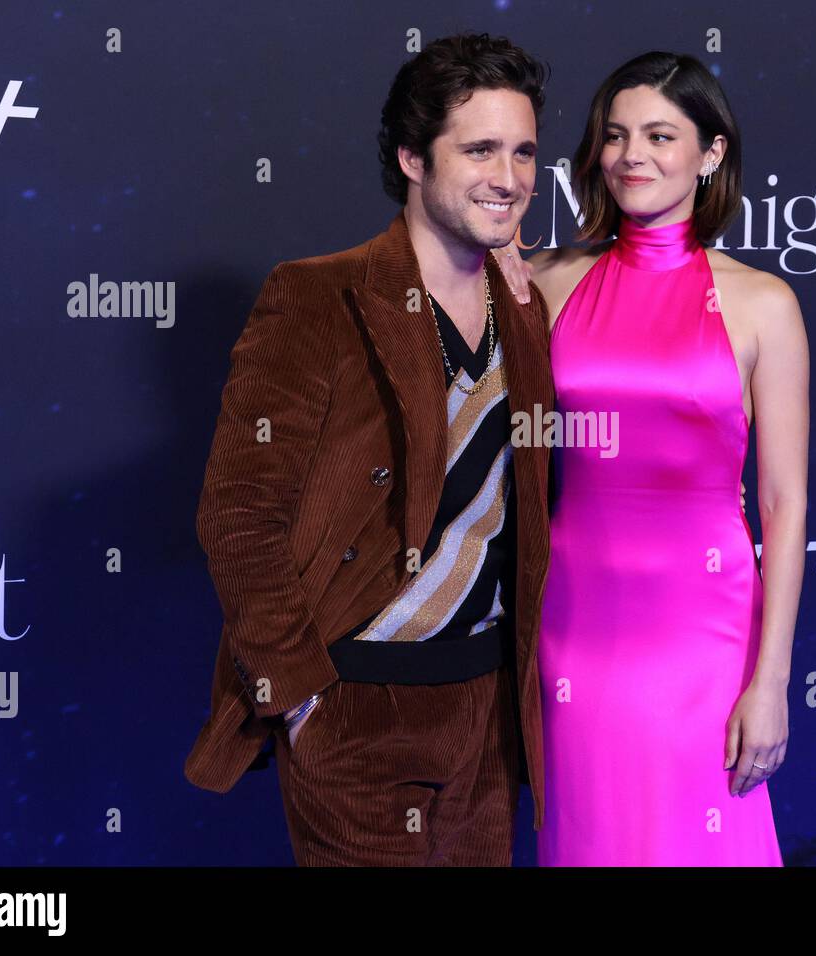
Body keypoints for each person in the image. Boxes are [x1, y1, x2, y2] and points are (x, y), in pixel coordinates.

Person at [184, 32, 556, 866]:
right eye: (480, 149)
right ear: (413, 159)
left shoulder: (525, 307)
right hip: (356, 710)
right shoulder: (318, 296)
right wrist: (301, 695)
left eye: (525, 151)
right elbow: (238, 513)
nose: (510, 176)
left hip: (488, 715)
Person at [498, 51, 808, 865]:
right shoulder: (547, 282)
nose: (633, 155)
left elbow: (783, 504)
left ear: (711, 154)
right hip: (574, 625)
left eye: (661, 136)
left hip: (702, 635)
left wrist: (769, 681)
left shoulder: (763, 304)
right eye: (616, 135)